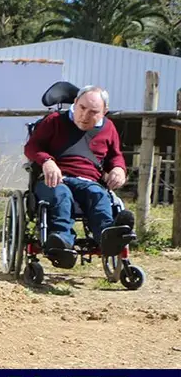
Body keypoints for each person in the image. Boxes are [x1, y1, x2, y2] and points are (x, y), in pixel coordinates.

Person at [24, 85, 132, 266]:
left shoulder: (108, 128)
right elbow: (32, 147)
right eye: (82, 108)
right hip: (55, 179)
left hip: (88, 181)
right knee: (61, 194)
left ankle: (108, 237)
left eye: (93, 112)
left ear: (104, 111)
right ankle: (62, 243)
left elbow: (115, 156)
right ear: (75, 102)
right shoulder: (54, 121)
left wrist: (118, 169)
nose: (85, 115)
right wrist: (47, 161)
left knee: (98, 194)